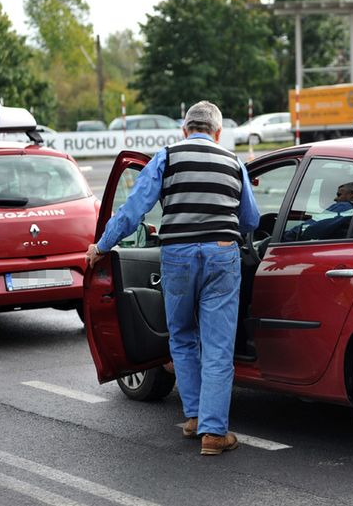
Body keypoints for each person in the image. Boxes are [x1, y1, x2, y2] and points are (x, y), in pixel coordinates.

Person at [85, 101, 259, 456]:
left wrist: (102, 245)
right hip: (222, 257)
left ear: (184, 129)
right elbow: (251, 219)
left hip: (177, 256)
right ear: (218, 131)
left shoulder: (166, 157)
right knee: (218, 345)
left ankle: (193, 416)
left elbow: (133, 210)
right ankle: (214, 433)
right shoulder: (233, 162)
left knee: (180, 335)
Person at [283, 182, 353, 242]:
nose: (335, 199)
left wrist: (284, 236)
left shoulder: (345, 207)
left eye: (339, 194)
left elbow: (310, 228)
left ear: (351, 194)